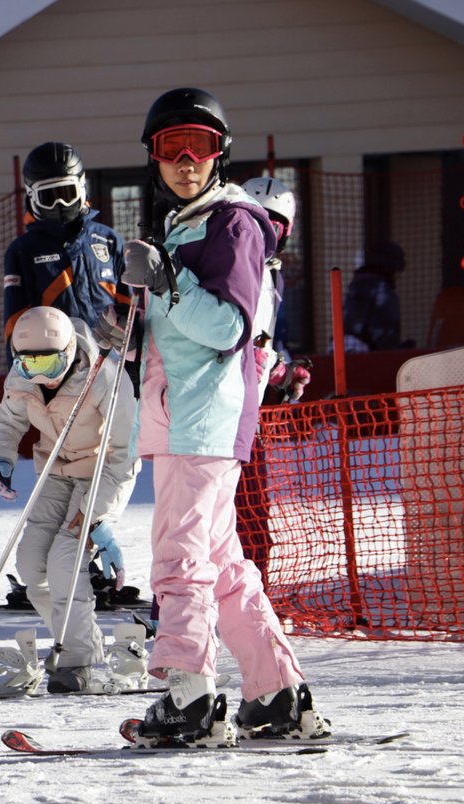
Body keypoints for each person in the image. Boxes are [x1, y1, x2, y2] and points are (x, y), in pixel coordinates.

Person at [120, 88, 328, 746]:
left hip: (200, 416)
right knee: (222, 563)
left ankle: (190, 694)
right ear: (152, 159)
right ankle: (276, 693)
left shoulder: (231, 223)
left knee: (179, 557)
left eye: (201, 146)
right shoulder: (184, 224)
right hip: (187, 415)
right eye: (170, 147)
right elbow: (169, 327)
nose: (186, 160)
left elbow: (228, 326)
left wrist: (167, 285)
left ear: (220, 155)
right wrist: (122, 319)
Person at [0, 307, 139, 693]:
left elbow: (124, 454)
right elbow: (10, 420)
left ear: (70, 350)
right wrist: (2, 457)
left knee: (64, 561)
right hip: (55, 471)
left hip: (101, 473)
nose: (39, 372)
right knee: (30, 564)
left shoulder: (105, 375)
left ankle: (78, 660)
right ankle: (73, 640)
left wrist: (100, 515)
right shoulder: (24, 372)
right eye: (29, 361)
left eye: (49, 361)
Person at [235, 177, 312, 589]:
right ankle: (183, 602)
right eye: (256, 219)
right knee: (207, 514)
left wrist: (278, 373)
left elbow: (257, 343)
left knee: (252, 508)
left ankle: (253, 592)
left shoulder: (273, 275)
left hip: (248, 410)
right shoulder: (228, 265)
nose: (266, 232)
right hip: (215, 409)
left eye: (276, 224)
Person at [3, 142, 130, 358]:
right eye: (49, 197)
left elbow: (130, 307)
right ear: (32, 197)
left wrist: (135, 363)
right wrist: (22, 379)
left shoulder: (108, 240)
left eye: (67, 192)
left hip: (113, 363)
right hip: (57, 368)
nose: (59, 204)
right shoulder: (23, 251)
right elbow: (15, 322)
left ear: (81, 187)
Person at [342, 240, 408, 351]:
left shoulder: (354, 287)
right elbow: (384, 337)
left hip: (340, 351)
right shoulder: (383, 291)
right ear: (390, 269)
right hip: (368, 357)